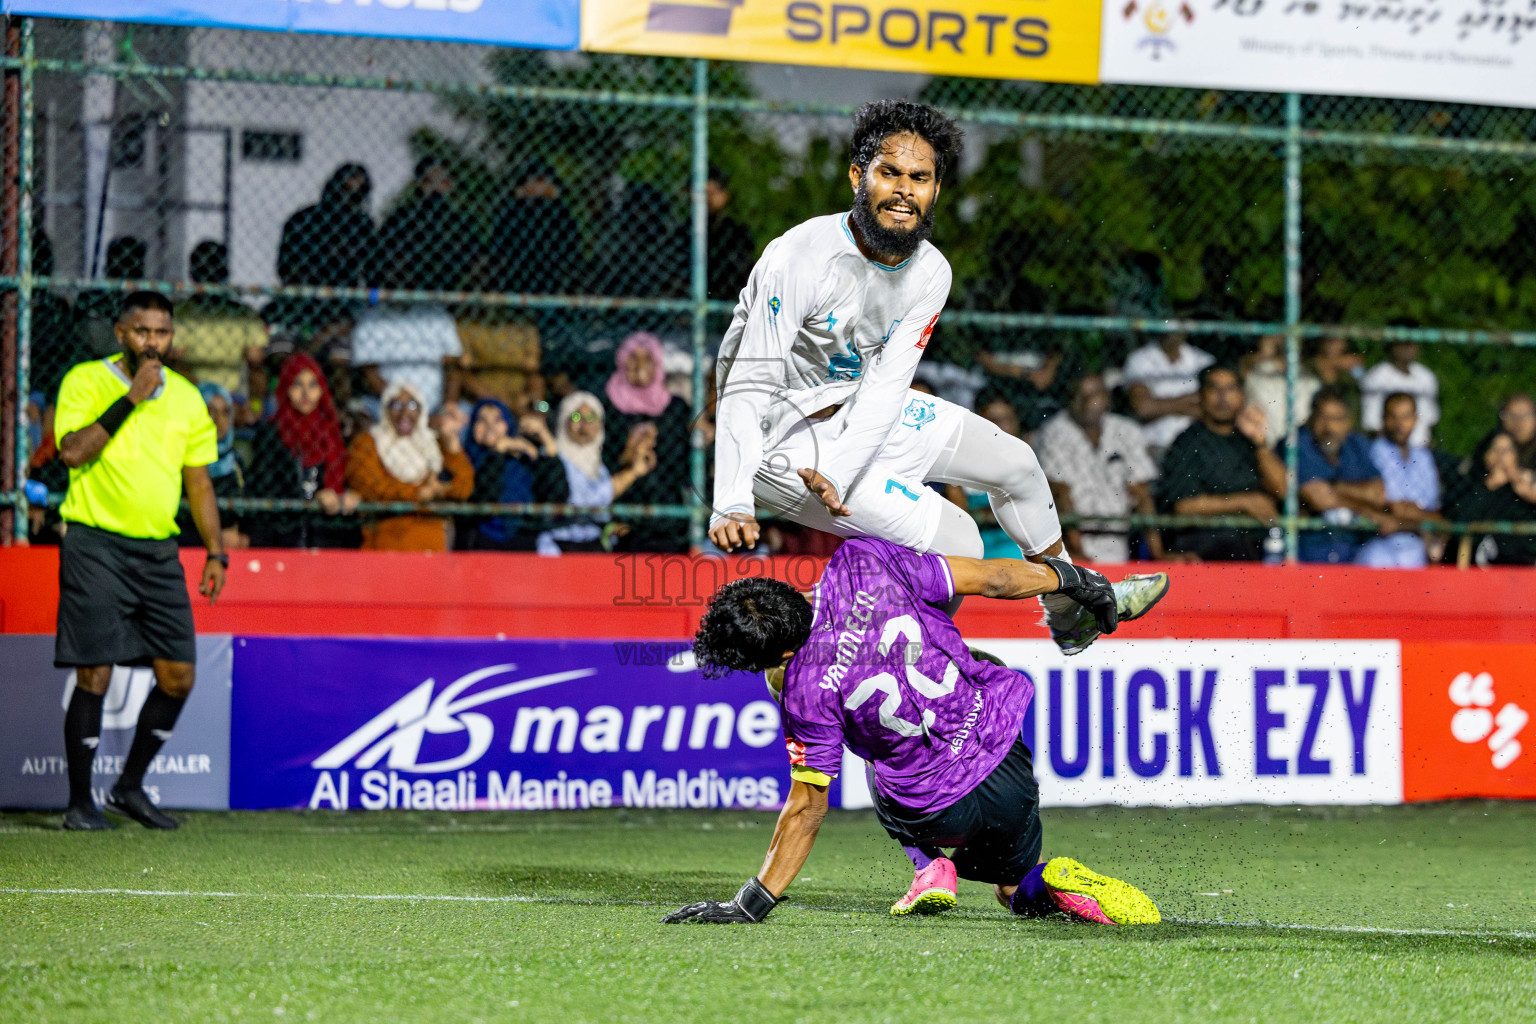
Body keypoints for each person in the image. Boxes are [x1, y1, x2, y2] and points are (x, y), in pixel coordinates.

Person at [706, 99, 1165, 662]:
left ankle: (1069, 609)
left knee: (1017, 464)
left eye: (919, 178)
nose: (904, 190)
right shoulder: (800, 257)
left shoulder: (930, 271)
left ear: (935, 189)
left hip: (859, 411)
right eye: (889, 172)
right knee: (959, 540)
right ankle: (852, 660)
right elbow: (746, 385)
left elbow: (886, 386)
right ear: (857, 176)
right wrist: (731, 502)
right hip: (780, 443)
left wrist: (842, 469)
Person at [664, 538, 1162, 925]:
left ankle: (928, 866)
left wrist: (752, 901)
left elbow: (807, 808)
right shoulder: (861, 562)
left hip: (935, 808)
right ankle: (1051, 882)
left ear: (779, 654)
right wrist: (1071, 578)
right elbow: (994, 579)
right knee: (1013, 889)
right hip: (1004, 761)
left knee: (875, 757)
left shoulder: (802, 695)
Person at [51, 291, 227, 831]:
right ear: (120, 333)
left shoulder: (188, 399)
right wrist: (132, 398)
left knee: (178, 675)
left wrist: (216, 551)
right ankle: (80, 804)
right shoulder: (85, 380)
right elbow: (72, 452)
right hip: (95, 545)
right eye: (142, 331)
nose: (153, 342)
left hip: (157, 552)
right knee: (95, 672)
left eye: (162, 332)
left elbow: (199, 483)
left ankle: (129, 787)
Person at [1157, 365, 1287, 561]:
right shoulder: (1187, 442)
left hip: (1258, 544)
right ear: (1201, 396)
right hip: (1206, 543)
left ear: (1242, 396)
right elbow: (1183, 507)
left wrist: (1260, 443)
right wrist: (1243, 502)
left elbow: (1283, 490)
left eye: (1230, 388)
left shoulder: (1249, 439)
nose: (1223, 397)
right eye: (1214, 389)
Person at [1035, 373, 1167, 564]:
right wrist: (1077, 552)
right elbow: (1060, 493)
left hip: (1119, 535)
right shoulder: (1053, 432)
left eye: (1094, 394)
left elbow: (1141, 492)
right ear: (1069, 399)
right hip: (1070, 540)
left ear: (1107, 398)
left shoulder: (1126, 430)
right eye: (1080, 395)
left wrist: (1158, 554)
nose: (1087, 401)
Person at [245, 353, 360, 548]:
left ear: (322, 390)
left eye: (313, 385)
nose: (306, 393)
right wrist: (314, 500)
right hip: (282, 534)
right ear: (286, 388)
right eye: (298, 384)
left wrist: (346, 495)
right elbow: (264, 488)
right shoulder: (272, 434)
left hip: (326, 533)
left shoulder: (333, 432)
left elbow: (344, 479)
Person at [346, 382, 473, 551]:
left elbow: (463, 487)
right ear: (385, 408)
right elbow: (371, 488)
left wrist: (452, 446)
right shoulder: (368, 443)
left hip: (430, 541)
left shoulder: (432, 444)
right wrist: (420, 495)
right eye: (396, 405)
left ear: (421, 411)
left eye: (412, 405)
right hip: (385, 537)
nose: (405, 412)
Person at [532, 391, 657, 554]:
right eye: (576, 416)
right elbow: (583, 506)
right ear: (564, 421)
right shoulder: (552, 459)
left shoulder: (601, 464)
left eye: (591, 417)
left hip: (593, 544)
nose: (584, 423)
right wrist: (631, 473)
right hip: (559, 545)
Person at [600, 332, 692, 551]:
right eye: (633, 357)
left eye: (647, 358)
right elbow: (601, 463)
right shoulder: (608, 407)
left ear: (658, 364)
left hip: (669, 515)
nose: (640, 365)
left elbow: (684, 463)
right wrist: (629, 450)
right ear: (622, 362)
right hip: (625, 514)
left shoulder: (675, 408)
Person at [1293, 388, 1398, 564]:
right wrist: (1365, 509)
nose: (1329, 427)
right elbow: (1319, 498)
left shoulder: (1357, 445)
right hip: (1310, 551)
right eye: (1322, 418)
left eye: (1337, 419)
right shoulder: (1298, 444)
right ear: (1311, 419)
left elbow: (1378, 494)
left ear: (1349, 422)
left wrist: (1334, 488)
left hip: (1356, 548)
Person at [170, 241, 268, 412]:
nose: (209, 276)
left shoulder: (244, 315)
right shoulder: (180, 314)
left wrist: (254, 405)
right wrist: (209, 396)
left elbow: (256, 363)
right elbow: (172, 364)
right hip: (192, 393)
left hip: (234, 397)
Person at [1357, 393, 1445, 568]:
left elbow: (1434, 513)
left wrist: (1403, 520)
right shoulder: (1372, 452)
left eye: (1406, 417)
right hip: (1379, 549)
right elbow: (1391, 507)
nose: (1399, 425)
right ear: (1383, 419)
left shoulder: (1424, 457)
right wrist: (1417, 518)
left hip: (1418, 551)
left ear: (1415, 419)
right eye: (1393, 417)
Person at [373, 156, 480, 294]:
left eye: (443, 178)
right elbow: (381, 253)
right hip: (404, 290)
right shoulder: (402, 216)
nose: (441, 181)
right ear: (422, 182)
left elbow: (474, 254)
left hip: (443, 291)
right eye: (432, 178)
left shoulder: (457, 220)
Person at [461, 398, 549, 550]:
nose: (490, 426)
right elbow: (485, 498)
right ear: (472, 426)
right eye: (482, 420)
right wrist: (498, 451)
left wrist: (548, 444)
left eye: (497, 420)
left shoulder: (523, 462)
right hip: (477, 544)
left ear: (508, 424)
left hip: (522, 544)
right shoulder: (463, 461)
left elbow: (555, 494)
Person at [490, 159, 583, 296]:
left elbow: (572, 242)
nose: (539, 188)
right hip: (517, 268)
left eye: (543, 181)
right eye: (535, 181)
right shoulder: (513, 209)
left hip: (551, 269)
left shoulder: (559, 210)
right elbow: (499, 242)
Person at [277, 163, 376, 289]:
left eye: (356, 195)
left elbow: (371, 269)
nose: (348, 200)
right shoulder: (304, 219)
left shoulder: (363, 225)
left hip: (345, 291)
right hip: (306, 288)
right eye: (345, 191)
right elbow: (285, 267)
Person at [174, 381, 248, 550]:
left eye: (225, 412)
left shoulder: (237, 465)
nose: (218, 420)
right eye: (210, 411)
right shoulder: (180, 461)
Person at [1122, 331, 1215, 462]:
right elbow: (1144, 408)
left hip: (1194, 445)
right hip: (1153, 445)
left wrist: (1160, 406)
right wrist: (1190, 401)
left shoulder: (1203, 360)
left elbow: (1212, 409)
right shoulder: (1139, 359)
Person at [1448, 432, 1536, 566]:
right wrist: (1491, 484)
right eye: (1496, 450)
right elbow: (1461, 524)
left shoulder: (1524, 488)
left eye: (1507, 450)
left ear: (1516, 456)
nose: (1501, 456)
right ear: (1486, 455)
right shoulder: (1473, 487)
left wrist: (1528, 493)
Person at [1360, 341, 1439, 447]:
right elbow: (1372, 424)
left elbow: (1430, 420)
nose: (1408, 348)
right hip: (1388, 447)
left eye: (1412, 343)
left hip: (1420, 448)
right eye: (1404, 343)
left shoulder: (1426, 376)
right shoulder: (1377, 376)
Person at [706, 165, 756, 302]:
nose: (709, 197)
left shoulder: (736, 232)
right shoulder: (683, 232)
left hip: (728, 298)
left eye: (715, 190)